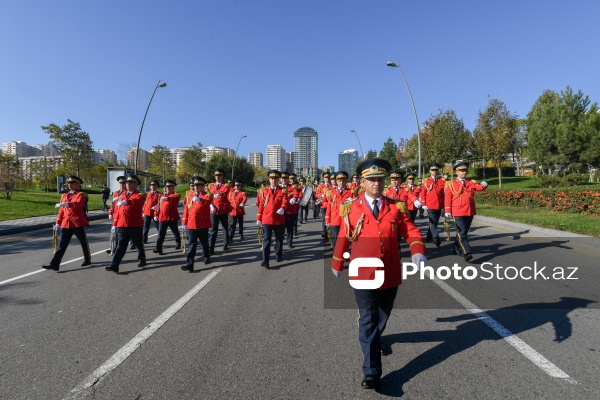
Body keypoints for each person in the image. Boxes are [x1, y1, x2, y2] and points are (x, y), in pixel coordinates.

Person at [331, 158, 427, 390]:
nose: (376, 183)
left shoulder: (396, 206)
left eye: (380, 179)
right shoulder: (350, 207)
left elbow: (410, 230)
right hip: (363, 271)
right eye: (371, 180)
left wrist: (417, 250)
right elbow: (343, 236)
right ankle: (372, 372)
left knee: (382, 315)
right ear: (362, 182)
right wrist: (337, 262)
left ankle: (374, 338)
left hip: (390, 270)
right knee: (369, 319)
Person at [42, 175, 91, 271]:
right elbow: (61, 210)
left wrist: (67, 204)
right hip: (66, 223)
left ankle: (87, 259)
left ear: (78, 184)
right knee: (61, 245)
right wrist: (58, 222)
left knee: (83, 242)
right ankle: (55, 264)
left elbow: (79, 204)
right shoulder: (64, 196)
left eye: (72, 183)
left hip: (77, 222)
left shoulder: (81, 194)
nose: (69, 185)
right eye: (69, 183)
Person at [444, 161, 488, 262]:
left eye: (465, 170)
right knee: (462, 232)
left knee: (463, 232)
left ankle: (456, 247)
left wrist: (484, 185)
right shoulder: (451, 184)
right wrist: (447, 210)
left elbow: (479, 188)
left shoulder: (470, 183)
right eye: (462, 170)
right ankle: (466, 252)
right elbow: (448, 198)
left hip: (469, 211)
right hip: (457, 211)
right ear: (457, 172)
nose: (464, 172)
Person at [105, 174, 147, 273]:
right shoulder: (121, 195)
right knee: (121, 246)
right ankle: (114, 266)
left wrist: (126, 202)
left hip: (134, 225)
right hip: (122, 225)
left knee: (138, 244)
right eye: (127, 183)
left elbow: (137, 201)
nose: (128, 185)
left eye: (131, 183)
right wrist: (115, 224)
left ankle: (142, 259)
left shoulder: (140, 195)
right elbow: (118, 212)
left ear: (136, 185)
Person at [256, 170, 289, 268]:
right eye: (271, 179)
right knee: (267, 240)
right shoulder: (264, 191)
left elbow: (285, 201)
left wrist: (283, 208)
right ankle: (265, 261)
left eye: (275, 179)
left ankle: (278, 255)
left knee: (279, 239)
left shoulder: (282, 191)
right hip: (267, 219)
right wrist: (258, 218)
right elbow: (261, 205)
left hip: (278, 219)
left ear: (278, 180)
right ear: (269, 179)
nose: (273, 180)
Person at [181, 176, 213, 271]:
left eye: (198, 185)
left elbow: (208, 202)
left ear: (203, 186)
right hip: (191, 223)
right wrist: (184, 221)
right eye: (195, 185)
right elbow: (186, 209)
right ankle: (189, 264)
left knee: (204, 243)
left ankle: (206, 256)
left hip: (202, 224)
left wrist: (200, 200)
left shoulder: (207, 195)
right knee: (192, 244)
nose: (196, 187)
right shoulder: (190, 196)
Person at [325, 171, 355, 250]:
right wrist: (327, 219)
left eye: (343, 180)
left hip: (346, 219)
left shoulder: (351, 192)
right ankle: (337, 254)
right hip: (335, 219)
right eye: (339, 181)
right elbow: (329, 206)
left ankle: (345, 253)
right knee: (335, 238)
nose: (341, 183)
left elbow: (355, 207)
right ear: (336, 181)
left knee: (346, 238)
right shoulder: (331, 193)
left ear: (346, 181)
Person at [153, 180, 182, 255]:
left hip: (172, 217)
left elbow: (176, 199)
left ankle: (178, 242)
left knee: (175, 231)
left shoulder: (175, 195)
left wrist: (169, 198)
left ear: (173, 187)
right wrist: (156, 213)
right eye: (166, 187)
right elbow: (159, 206)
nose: (167, 188)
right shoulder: (162, 196)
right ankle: (159, 248)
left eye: (169, 187)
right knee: (161, 233)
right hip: (163, 217)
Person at [208, 168, 233, 254]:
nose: (217, 177)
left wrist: (217, 194)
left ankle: (225, 243)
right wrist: (211, 205)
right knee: (213, 229)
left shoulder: (225, 186)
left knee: (224, 227)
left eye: (219, 175)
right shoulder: (211, 186)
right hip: (214, 210)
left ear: (222, 176)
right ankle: (211, 247)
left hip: (223, 209)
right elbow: (208, 196)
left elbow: (224, 193)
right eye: (216, 175)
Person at [421, 162, 445, 247]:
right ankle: (436, 238)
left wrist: (444, 206)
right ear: (430, 171)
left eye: (436, 170)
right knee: (433, 222)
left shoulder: (441, 180)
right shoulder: (426, 180)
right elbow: (423, 193)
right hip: (430, 205)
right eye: (432, 170)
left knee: (434, 222)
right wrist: (423, 204)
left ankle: (428, 237)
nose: (434, 172)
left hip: (439, 205)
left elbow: (444, 193)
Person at [281, 171, 300, 248]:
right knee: (280, 229)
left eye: (285, 178)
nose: (284, 180)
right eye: (282, 178)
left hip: (290, 211)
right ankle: (279, 243)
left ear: (288, 179)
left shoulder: (292, 187)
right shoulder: (278, 188)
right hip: (280, 212)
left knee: (289, 228)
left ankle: (289, 242)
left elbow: (296, 194)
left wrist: (295, 198)